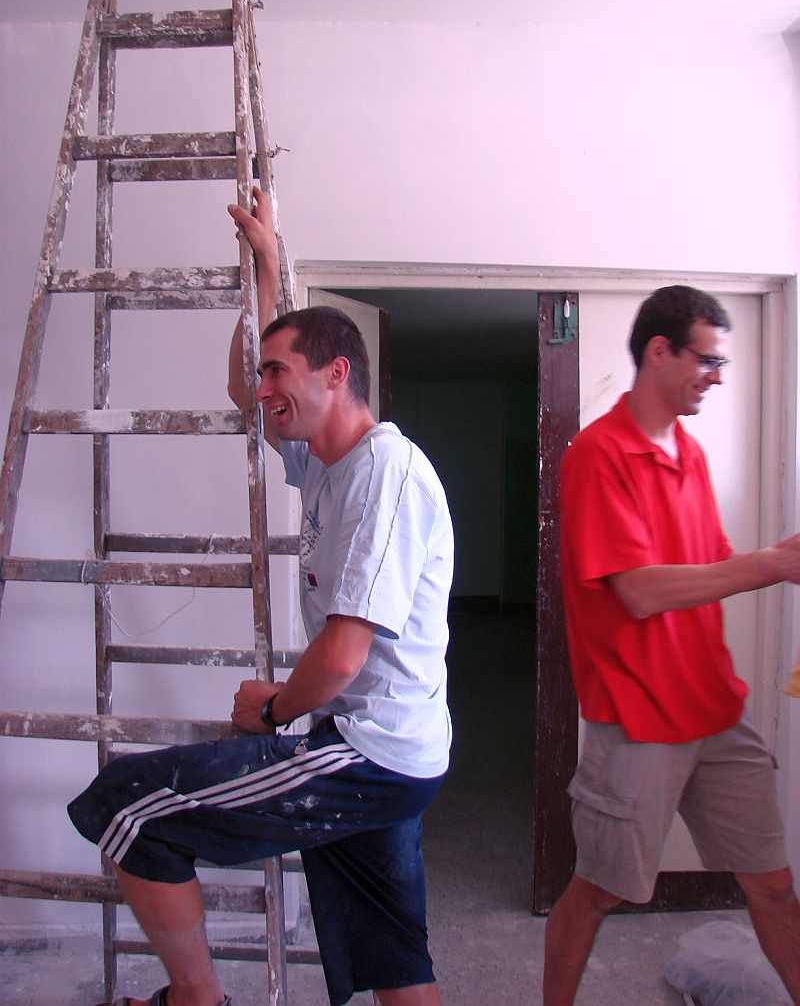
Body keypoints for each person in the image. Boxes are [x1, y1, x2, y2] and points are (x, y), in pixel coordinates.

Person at [68, 186, 454, 1006]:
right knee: (394, 956)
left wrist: (274, 708)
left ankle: (196, 1000)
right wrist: (268, 270)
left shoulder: (384, 471)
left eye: (281, 369)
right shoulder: (327, 463)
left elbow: (343, 655)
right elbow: (247, 395)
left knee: (129, 808)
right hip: (384, 745)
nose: (266, 384)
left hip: (369, 750)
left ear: (336, 373)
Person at [544, 285, 800, 1006]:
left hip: (716, 712)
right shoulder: (598, 454)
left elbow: (710, 569)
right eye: (707, 360)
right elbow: (641, 590)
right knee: (597, 892)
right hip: (638, 720)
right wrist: (774, 564)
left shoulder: (689, 453)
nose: (716, 377)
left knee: (773, 885)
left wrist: (776, 559)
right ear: (659, 351)